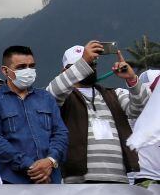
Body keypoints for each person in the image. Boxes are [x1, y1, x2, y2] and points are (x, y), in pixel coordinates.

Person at [46, 42, 150, 183]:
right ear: (65, 71)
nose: (88, 67)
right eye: (82, 64)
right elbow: (53, 91)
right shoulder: (61, 99)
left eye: (91, 63)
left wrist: (132, 80)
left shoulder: (115, 94)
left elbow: (140, 110)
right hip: (78, 181)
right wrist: (85, 60)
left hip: (118, 179)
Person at [0, 45, 69, 184]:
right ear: (5, 71)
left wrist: (50, 161)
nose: (28, 71)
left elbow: (61, 133)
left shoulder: (46, 98)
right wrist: (31, 166)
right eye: (21, 67)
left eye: (31, 66)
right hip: (13, 183)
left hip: (51, 180)